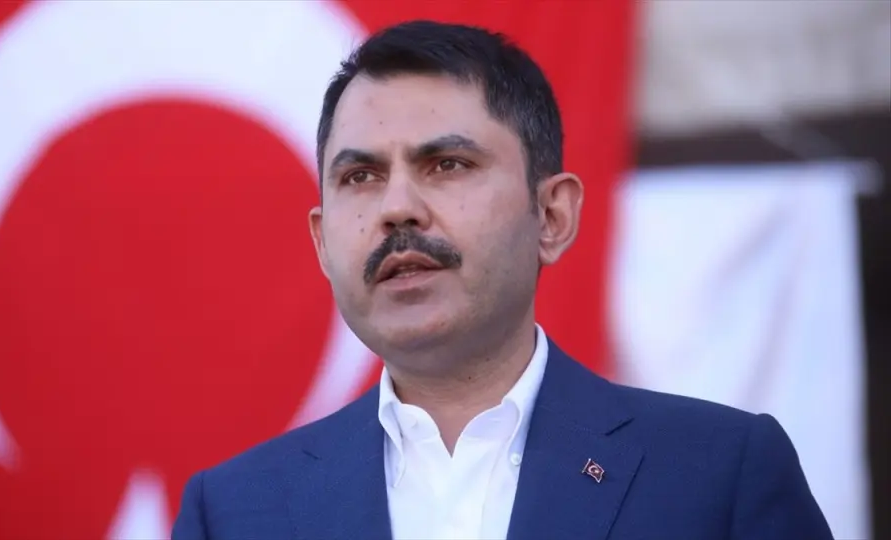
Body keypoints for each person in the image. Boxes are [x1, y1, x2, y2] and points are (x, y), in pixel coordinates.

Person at [171, 20, 833, 540]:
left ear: (552, 215)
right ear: (322, 242)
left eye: (447, 164)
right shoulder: (232, 512)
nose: (397, 207)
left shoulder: (718, 476)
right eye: (360, 176)